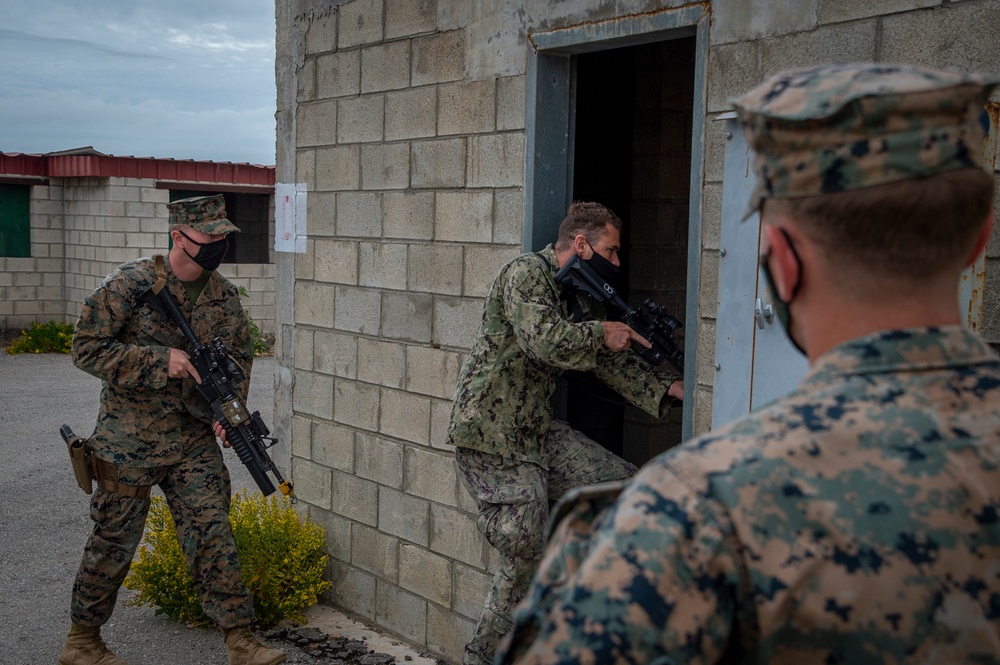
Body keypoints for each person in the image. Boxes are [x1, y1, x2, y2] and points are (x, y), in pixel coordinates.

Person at [497, 63, 1000, 664]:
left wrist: (663, 388)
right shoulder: (528, 275)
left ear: (779, 263)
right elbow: (556, 342)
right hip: (502, 438)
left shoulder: (689, 512)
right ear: (979, 240)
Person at [446, 201, 684, 665]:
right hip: (489, 439)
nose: (616, 263)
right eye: (611, 252)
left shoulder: (581, 294)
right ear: (580, 244)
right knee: (526, 544)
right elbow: (545, 340)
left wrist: (666, 388)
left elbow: (609, 361)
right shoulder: (525, 275)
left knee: (628, 493)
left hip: (535, 435)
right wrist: (601, 334)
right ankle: (483, 655)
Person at [60, 194, 285, 665]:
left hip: (192, 442)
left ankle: (240, 641)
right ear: (178, 236)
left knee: (212, 533)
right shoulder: (131, 283)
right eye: (210, 236)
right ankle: (82, 643)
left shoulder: (223, 297)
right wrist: (160, 361)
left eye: (224, 236)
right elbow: (85, 349)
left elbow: (236, 364)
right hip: (128, 440)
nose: (219, 244)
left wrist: (229, 414)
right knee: (114, 539)